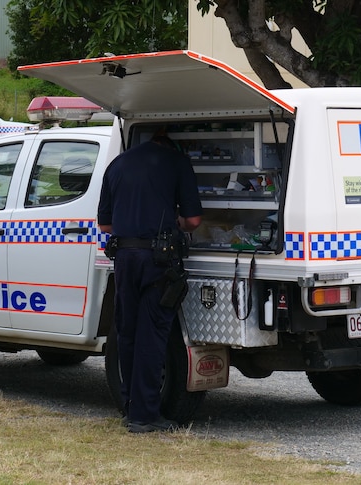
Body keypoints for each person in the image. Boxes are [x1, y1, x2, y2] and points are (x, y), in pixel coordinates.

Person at [97, 130, 202, 434]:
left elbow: (104, 224)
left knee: (127, 331)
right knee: (153, 334)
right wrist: (175, 220)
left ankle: (131, 408)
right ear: (170, 144)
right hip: (158, 260)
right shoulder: (177, 163)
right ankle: (145, 416)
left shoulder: (116, 165)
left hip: (124, 257)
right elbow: (193, 220)